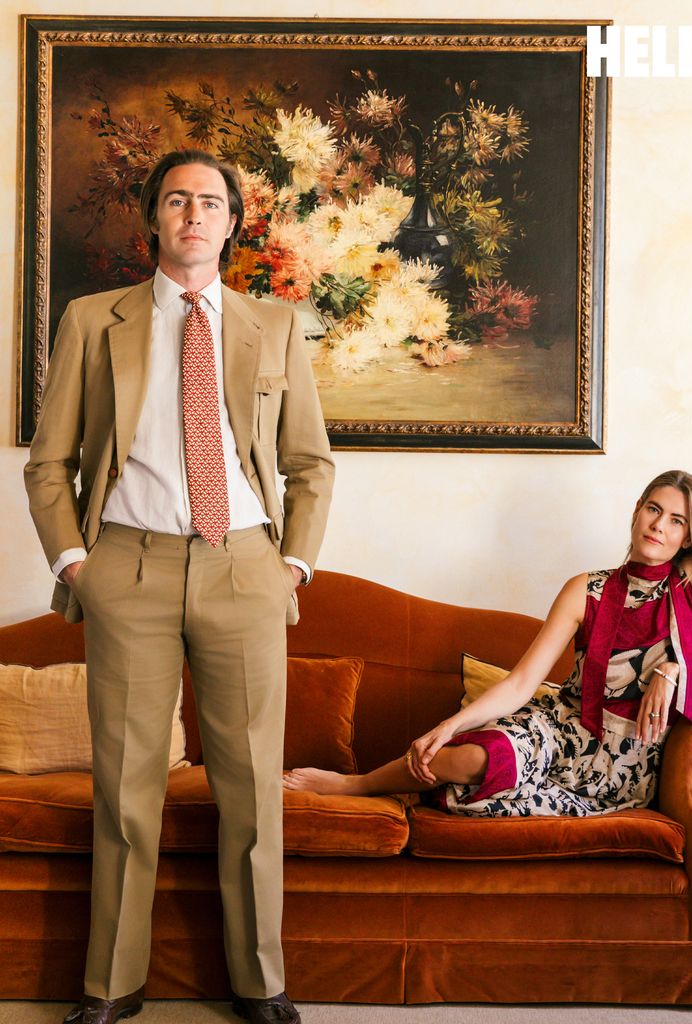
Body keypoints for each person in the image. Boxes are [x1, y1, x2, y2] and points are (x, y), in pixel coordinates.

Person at [25, 149, 335, 1024]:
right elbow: (49, 465)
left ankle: (258, 981)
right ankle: (110, 986)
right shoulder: (95, 320)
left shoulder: (273, 326)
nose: (192, 215)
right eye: (175, 201)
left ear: (232, 222)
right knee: (126, 787)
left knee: (250, 786)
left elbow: (311, 465)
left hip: (245, 569)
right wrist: (76, 565)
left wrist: (291, 567)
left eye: (209, 202)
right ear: (155, 219)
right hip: (128, 565)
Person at [284, 470, 692, 817]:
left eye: (676, 520)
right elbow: (522, 683)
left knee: (471, 791)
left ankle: (456, 792)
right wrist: (449, 725)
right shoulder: (586, 589)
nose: (658, 526)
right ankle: (357, 784)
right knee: (465, 758)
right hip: (561, 730)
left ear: (688, 536)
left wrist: (678, 670)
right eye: (653, 509)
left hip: (624, 762)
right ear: (637, 512)